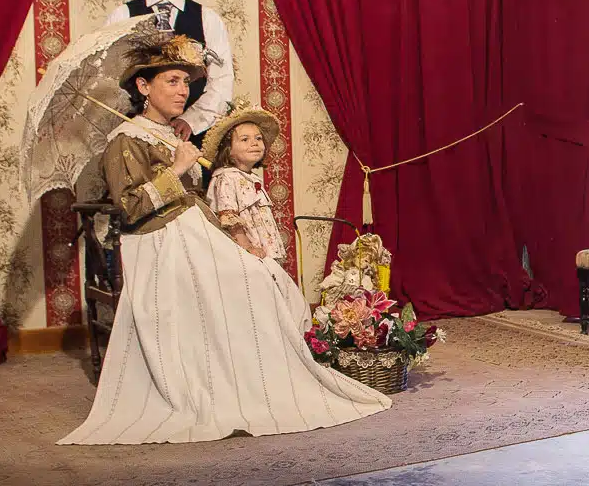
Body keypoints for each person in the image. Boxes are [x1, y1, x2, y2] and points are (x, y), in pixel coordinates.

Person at [60, 36, 389, 446]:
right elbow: (130, 208)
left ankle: (262, 380)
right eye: (172, 81)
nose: (183, 90)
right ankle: (233, 383)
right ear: (144, 86)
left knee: (263, 274)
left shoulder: (170, 135)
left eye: (186, 82)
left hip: (196, 232)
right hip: (159, 240)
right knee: (244, 279)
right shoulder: (126, 140)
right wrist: (175, 170)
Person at [106, 0, 234, 148]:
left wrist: (190, 120)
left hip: (194, 142)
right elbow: (110, 82)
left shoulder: (208, 19)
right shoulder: (122, 17)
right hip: (137, 142)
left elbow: (222, 83)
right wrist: (142, 124)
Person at [204, 107, 286, 262]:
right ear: (228, 150)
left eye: (258, 138)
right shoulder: (227, 178)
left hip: (262, 251)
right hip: (245, 254)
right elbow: (229, 218)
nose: (254, 143)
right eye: (245, 139)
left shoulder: (251, 178)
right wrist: (247, 247)